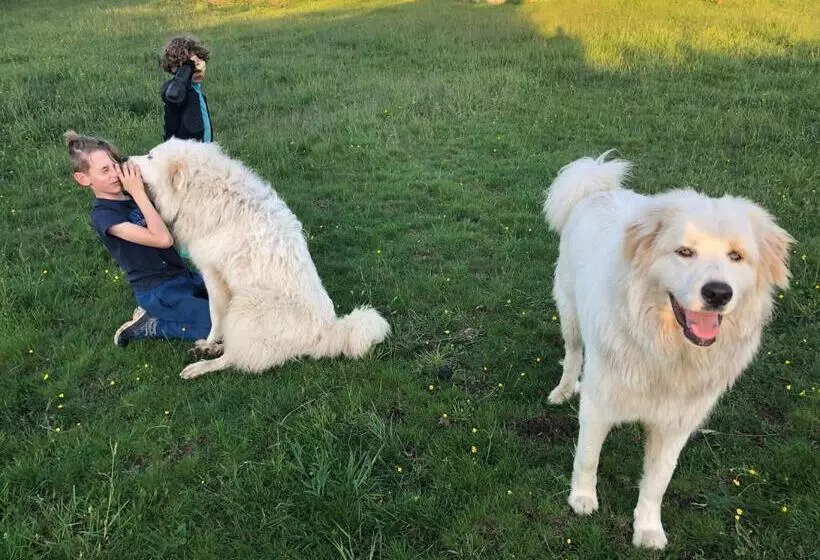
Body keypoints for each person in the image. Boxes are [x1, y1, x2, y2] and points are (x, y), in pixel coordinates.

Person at [65, 130, 211, 346]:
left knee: (230, 299)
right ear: (83, 179)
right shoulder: (104, 216)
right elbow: (162, 240)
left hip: (181, 274)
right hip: (159, 289)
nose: (115, 174)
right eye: (104, 170)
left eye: (115, 165)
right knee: (215, 327)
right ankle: (151, 325)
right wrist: (138, 193)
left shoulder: (131, 196)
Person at [160, 35, 213, 142]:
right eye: (189, 64)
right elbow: (175, 93)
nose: (196, 66)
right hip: (182, 151)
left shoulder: (197, 92)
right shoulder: (173, 90)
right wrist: (188, 66)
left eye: (199, 59)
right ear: (173, 68)